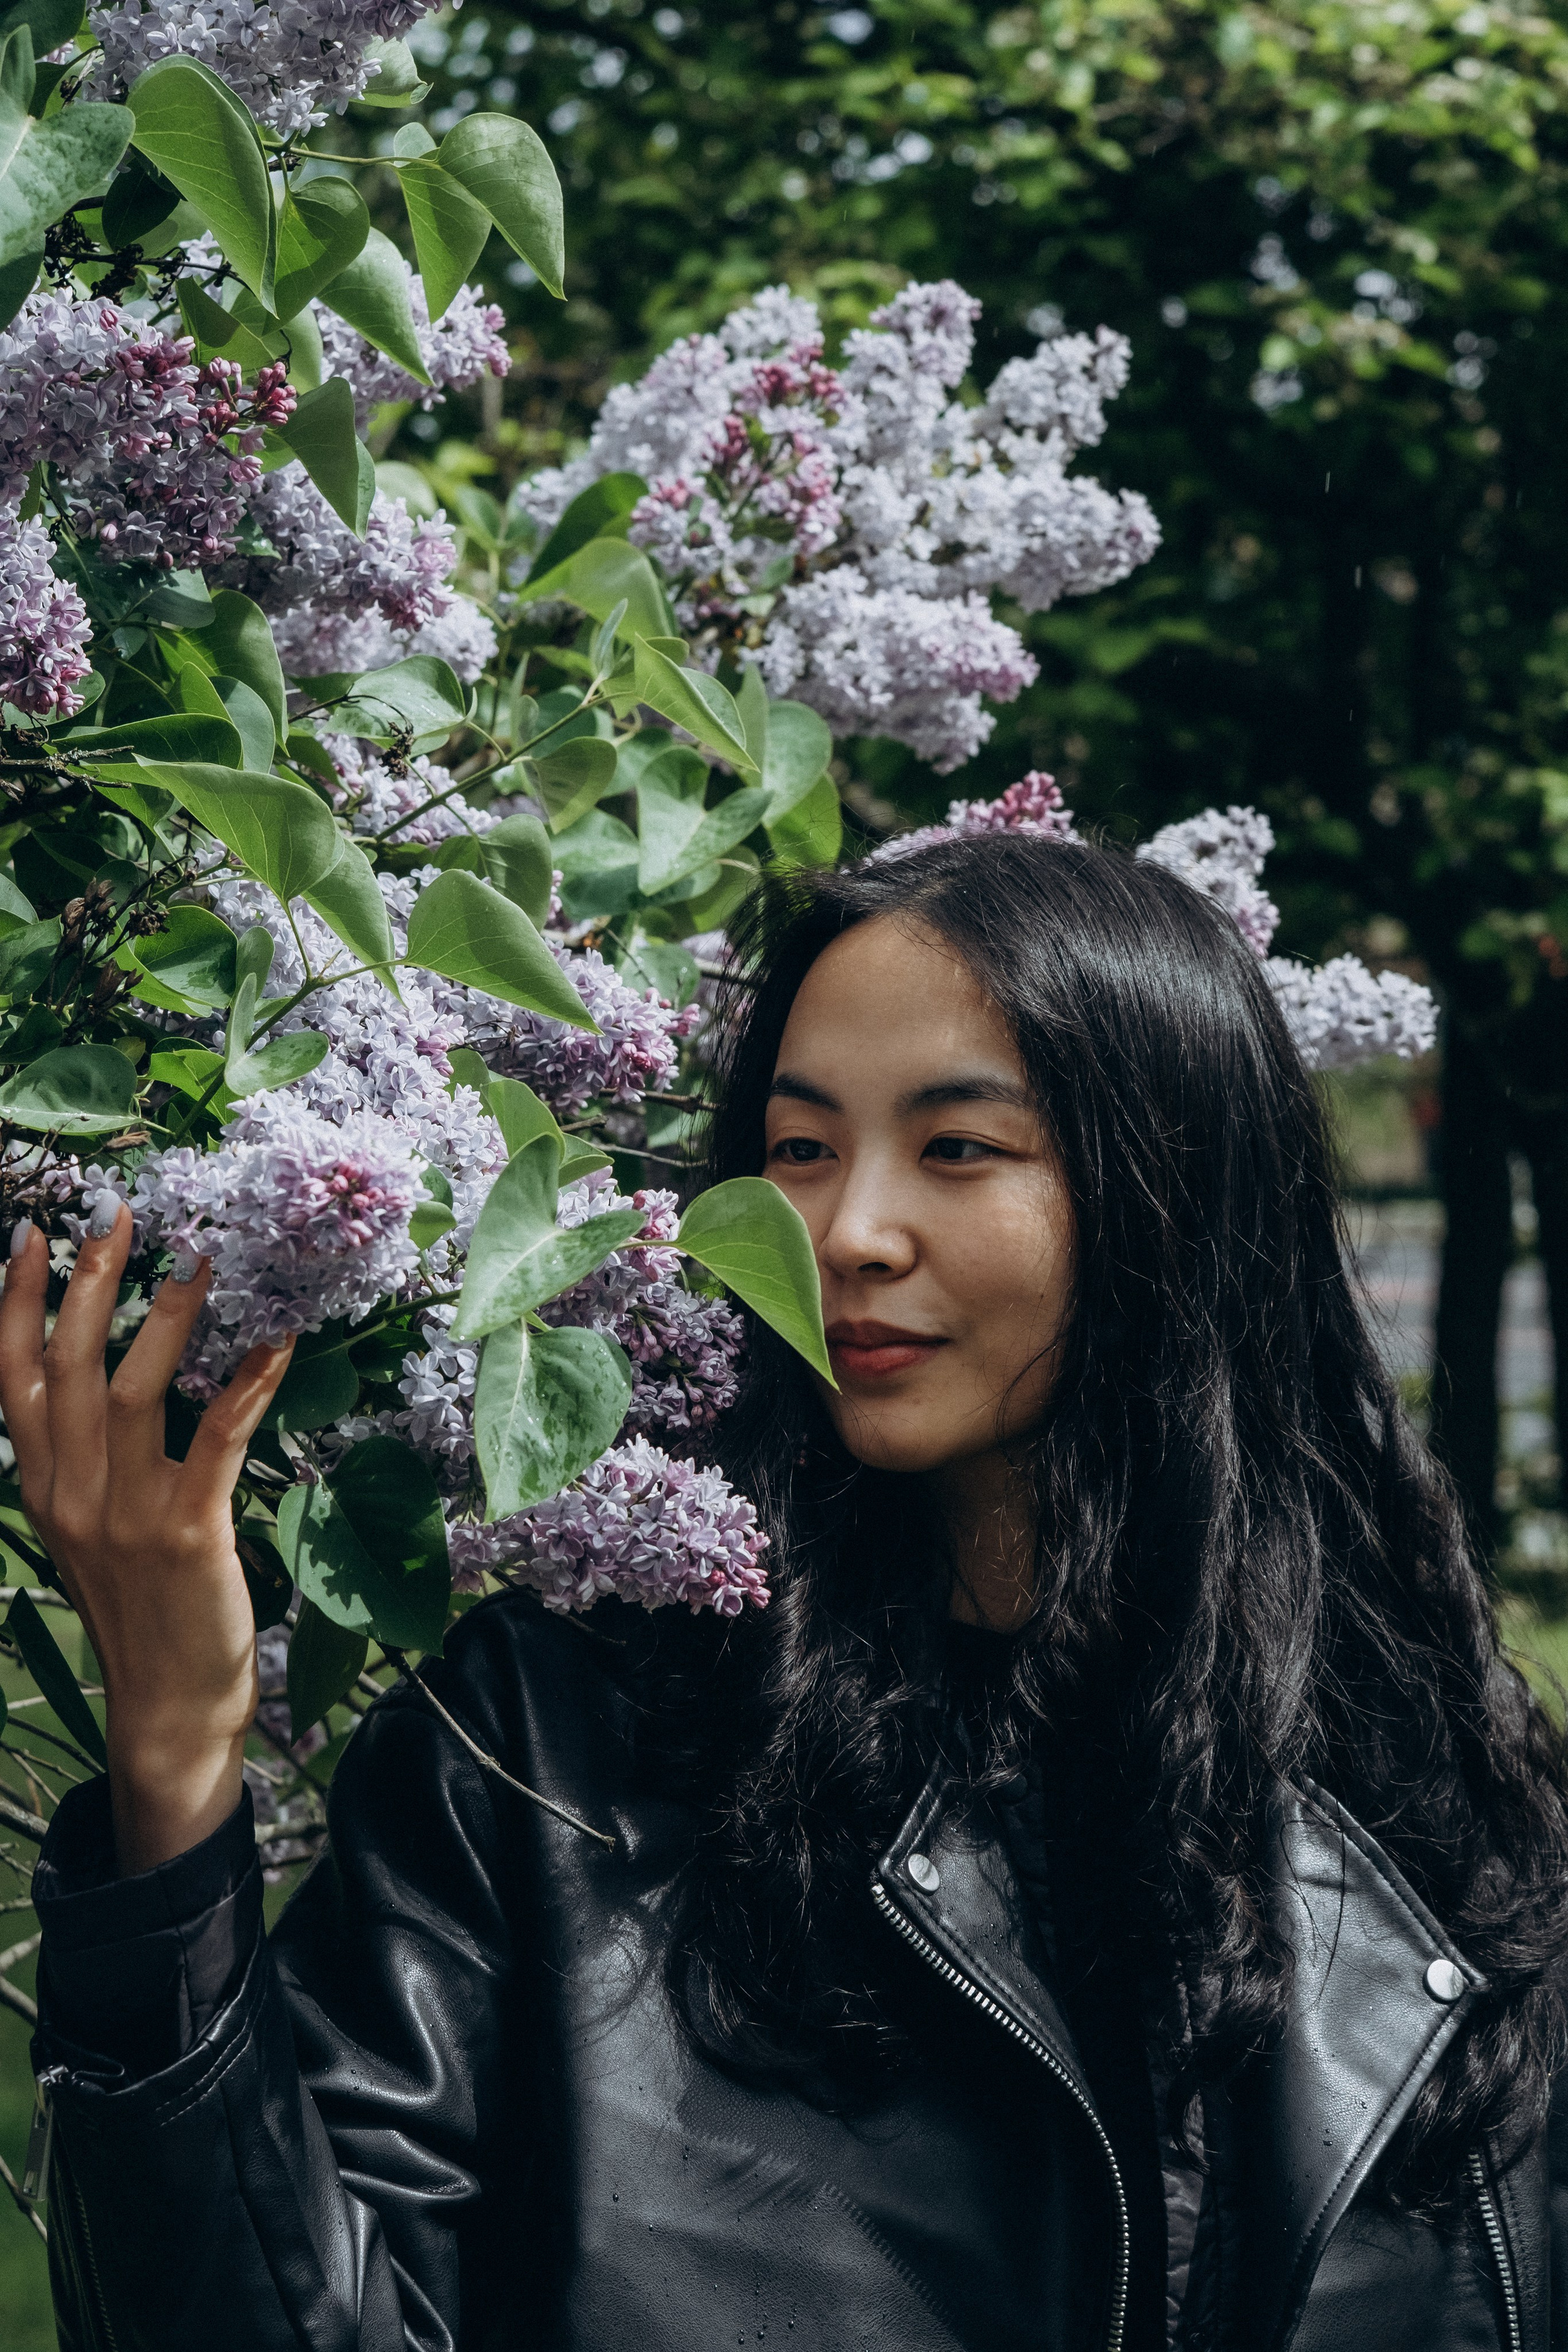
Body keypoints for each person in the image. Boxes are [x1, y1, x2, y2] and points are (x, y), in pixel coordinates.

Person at [9, 832, 1568, 2352]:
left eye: (958, 1148)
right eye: (799, 1148)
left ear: (1178, 1196)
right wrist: (172, 1770)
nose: (845, 1232)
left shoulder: (1438, 1800)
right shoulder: (548, 1759)